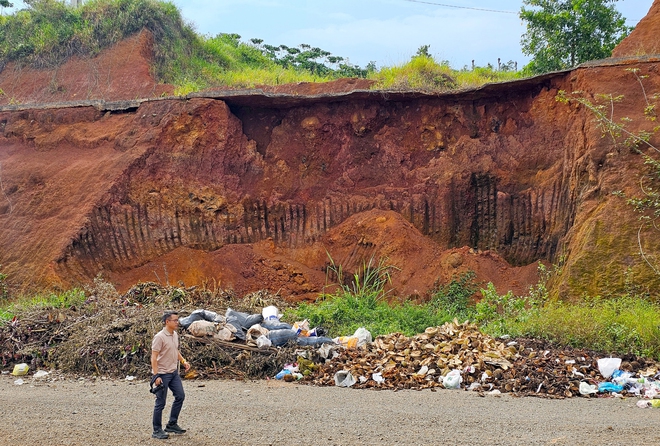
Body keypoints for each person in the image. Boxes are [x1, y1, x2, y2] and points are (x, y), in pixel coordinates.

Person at [151, 311, 191, 439]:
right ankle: (157, 430)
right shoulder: (159, 337)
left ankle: (172, 424)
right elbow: (154, 357)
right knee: (160, 403)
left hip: (173, 373)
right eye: (175, 320)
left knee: (180, 396)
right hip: (162, 374)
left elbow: (175, 350)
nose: (177, 322)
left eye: (177, 320)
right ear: (167, 322)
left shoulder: (175, 335)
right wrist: (156, 376)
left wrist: (183, 361)